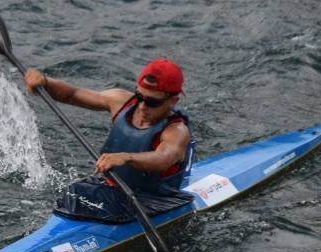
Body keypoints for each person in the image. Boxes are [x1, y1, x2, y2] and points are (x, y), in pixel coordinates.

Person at [23, 58, 195, 222]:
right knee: (73, 192)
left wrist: (127, 157)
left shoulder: (176, 131)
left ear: (173, 101)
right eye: (139, 96)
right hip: (113, 187)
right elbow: (72, 94)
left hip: (152, 197)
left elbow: (164, 158)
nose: (142, 106)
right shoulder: (122, 101)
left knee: (85, 197)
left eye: (151, 102)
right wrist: (46, 82)